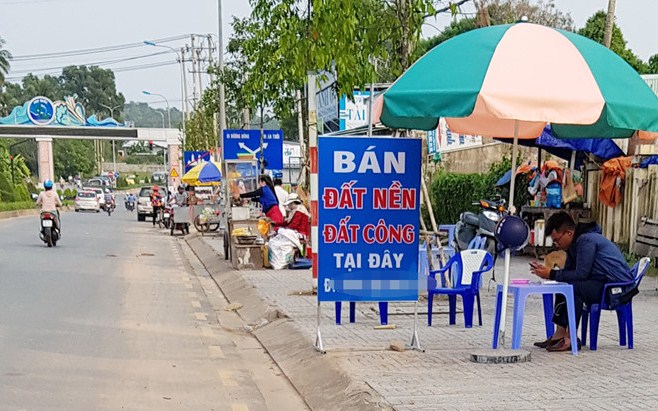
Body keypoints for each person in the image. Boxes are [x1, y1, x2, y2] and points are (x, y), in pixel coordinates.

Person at [530, 211, 633, 352]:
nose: (556, 245)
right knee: (563, 285)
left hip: (617, 288)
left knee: (575, 288)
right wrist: (550, 274)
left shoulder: (586, 241)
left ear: (569, 233)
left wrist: (551, 274)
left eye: (557, 240)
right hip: (601, 282)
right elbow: (567, 274)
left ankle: (570, 338)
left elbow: (581, 274)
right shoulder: (573, 245)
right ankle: (559, 334)